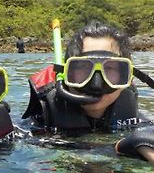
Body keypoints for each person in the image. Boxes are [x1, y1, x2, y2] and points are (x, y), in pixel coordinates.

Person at [22, 21, 154, 133]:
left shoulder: (142, 127)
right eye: (83, 67)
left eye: (110, 68)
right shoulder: (37, 125)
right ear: (66, 73)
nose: (96, 84)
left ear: (127, 76)